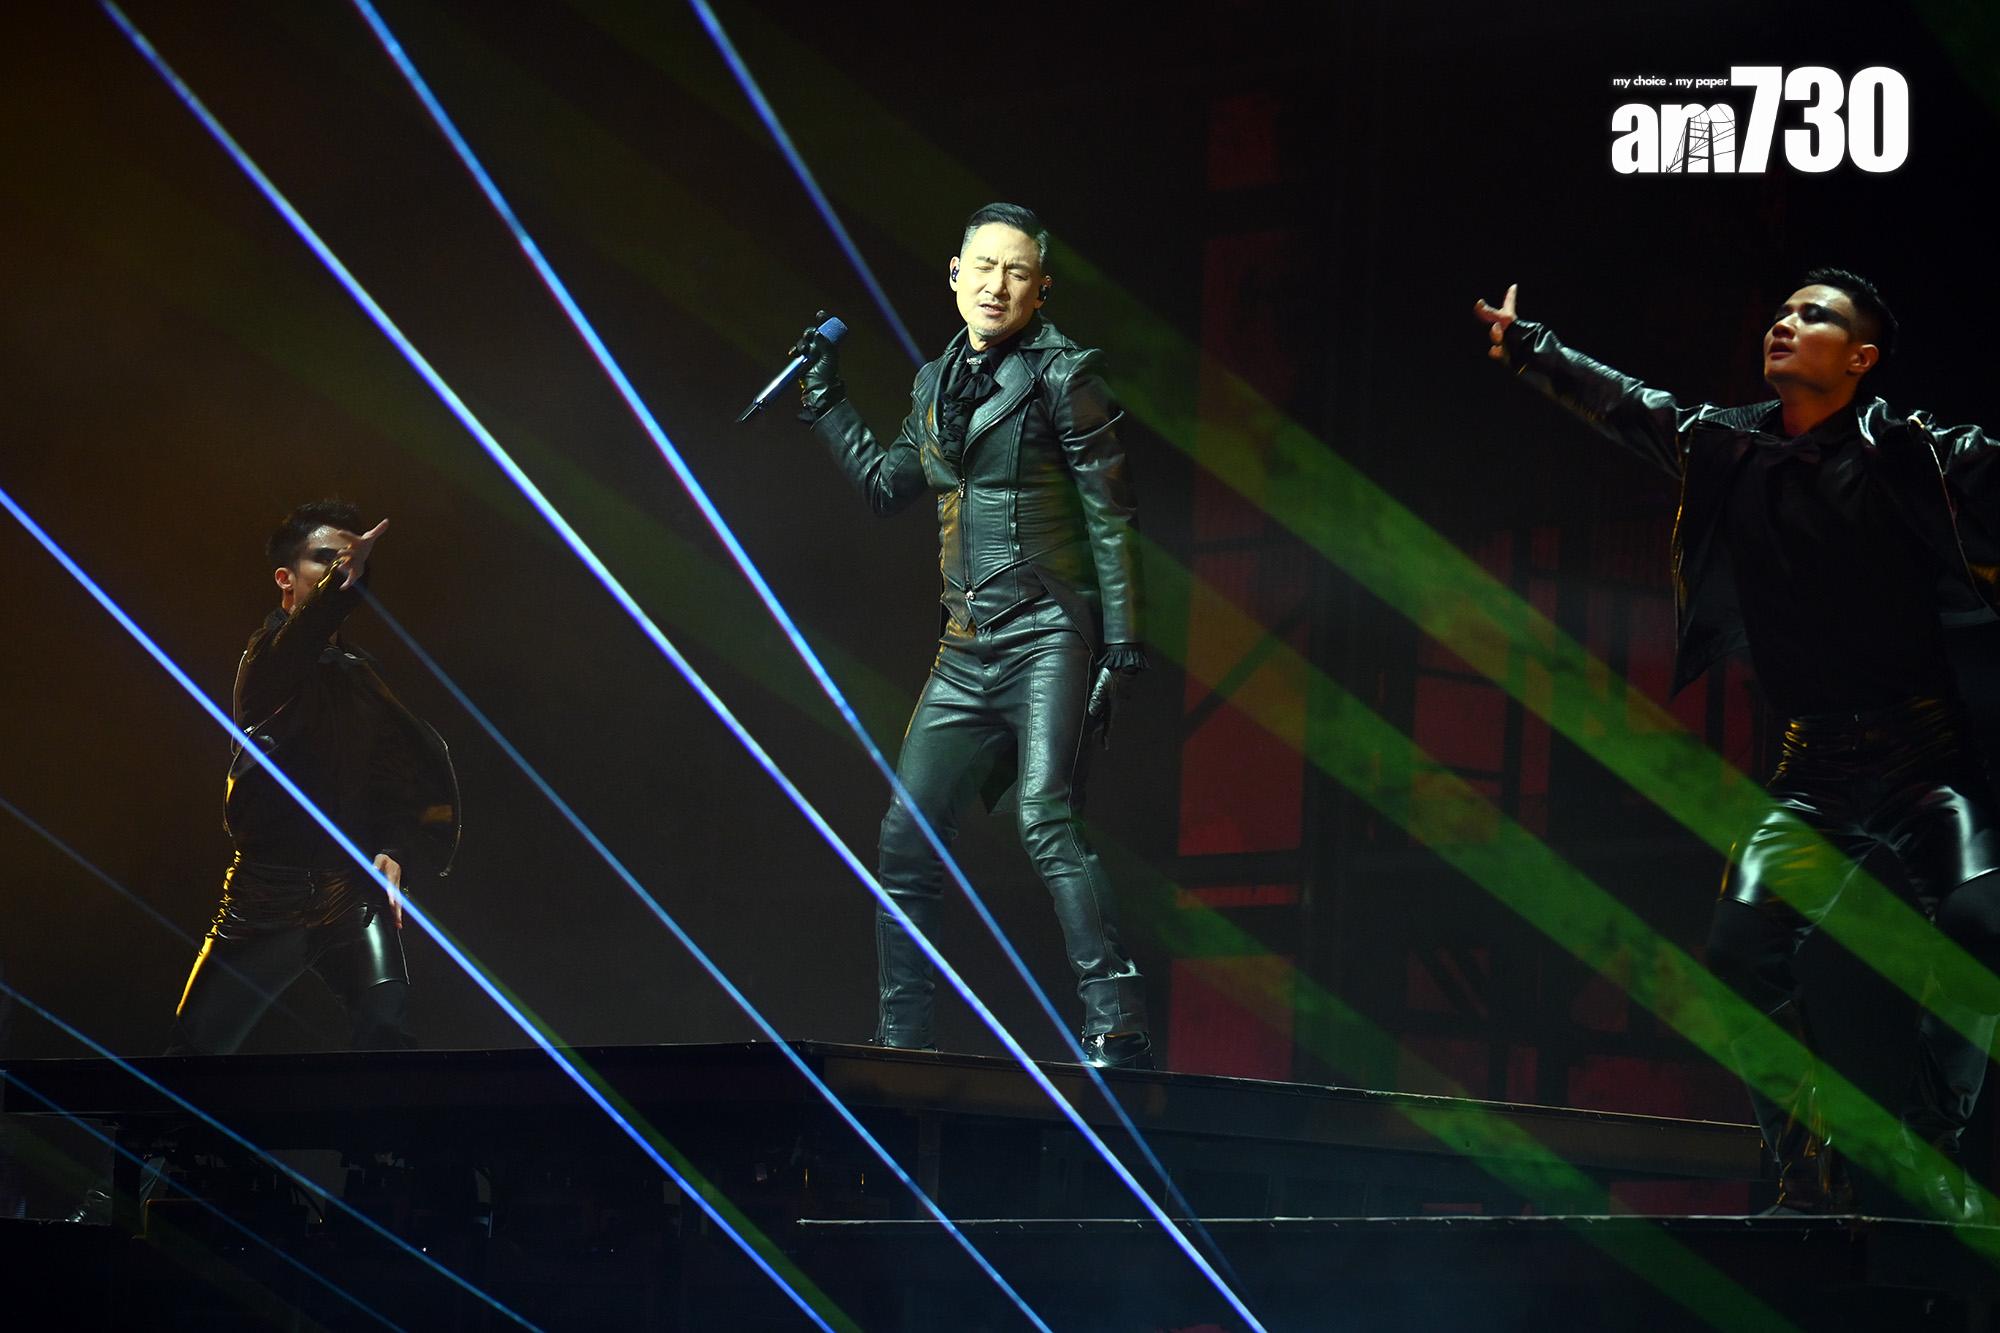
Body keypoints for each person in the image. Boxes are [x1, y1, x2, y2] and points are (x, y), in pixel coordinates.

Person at [1475, 272, 2000, 1218]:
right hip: (1812, 765)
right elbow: (1630, 407)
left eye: (1814, 316)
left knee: (1981, 929)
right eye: (1782, 312)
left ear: (1862, 358)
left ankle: (1930, 1150)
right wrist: (1528, 347)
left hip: (1924, 756)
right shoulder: (1726, 444)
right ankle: (1808, 1174)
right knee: (1738, 950)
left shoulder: (1910, 450)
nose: (1785, 324)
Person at [797, 202, 1152, 1067]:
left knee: (1044, 816)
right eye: (984, 267)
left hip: (1048, 632)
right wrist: (826, 400)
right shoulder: (935, 385)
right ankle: (904, 1040)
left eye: (1016, 271)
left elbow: (1112, 514)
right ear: (956, 275)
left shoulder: (1064, 374)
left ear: (1040, 289)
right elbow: (886, 485)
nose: (997, 285)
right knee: (905, 838)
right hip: (964, 645)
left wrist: (1121, 645)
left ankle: (1116, 1019)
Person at [165, 499, 459, 1055]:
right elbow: (309, 630)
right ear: (285, 577)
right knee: (195, 1054)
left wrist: (395, 849)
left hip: (351, 891)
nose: (342, 569)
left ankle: (384, 1118)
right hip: (266, 897)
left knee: (387, 1035)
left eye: (351, 561)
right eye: (326, 559)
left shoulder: (360, 676)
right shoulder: (268, 659)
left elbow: (393, 777)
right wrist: (348, 582)